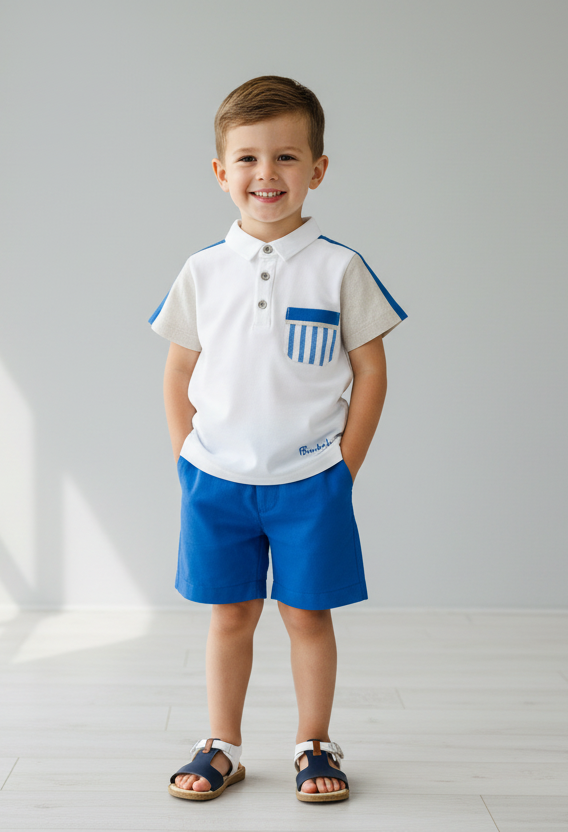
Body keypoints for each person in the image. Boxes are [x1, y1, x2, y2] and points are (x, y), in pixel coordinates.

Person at [148, 75, 408, 803]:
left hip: (310, 480)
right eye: (249, 159)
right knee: (229, 614)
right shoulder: (201, 271)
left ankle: (314, 743)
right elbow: (177, 370)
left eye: (288, 158)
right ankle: (221, 744)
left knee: (306, 614)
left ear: (317, 170)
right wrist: (186, 460)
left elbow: (372, 372)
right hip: (217, 479)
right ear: (221, 172)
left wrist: (342, 468)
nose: (267, 175)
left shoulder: (340, 267)